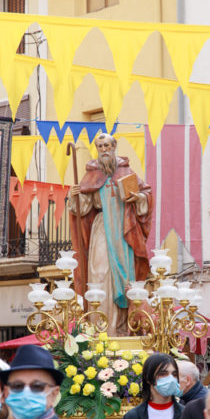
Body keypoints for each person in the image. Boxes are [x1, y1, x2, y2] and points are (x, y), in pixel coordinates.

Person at [69, 133, 154, 333]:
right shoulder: (92, 173)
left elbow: (146, 194)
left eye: (107, 145)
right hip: (101, 228)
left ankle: (123, 327)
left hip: (125, 229)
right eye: (100, 146)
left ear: (114, 146)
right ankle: (101, 327)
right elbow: (82, 208)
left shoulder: (126, 170)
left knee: (125, 279)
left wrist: (139, 197)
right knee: (99, 274)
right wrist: (75, 197)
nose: (104, 149)